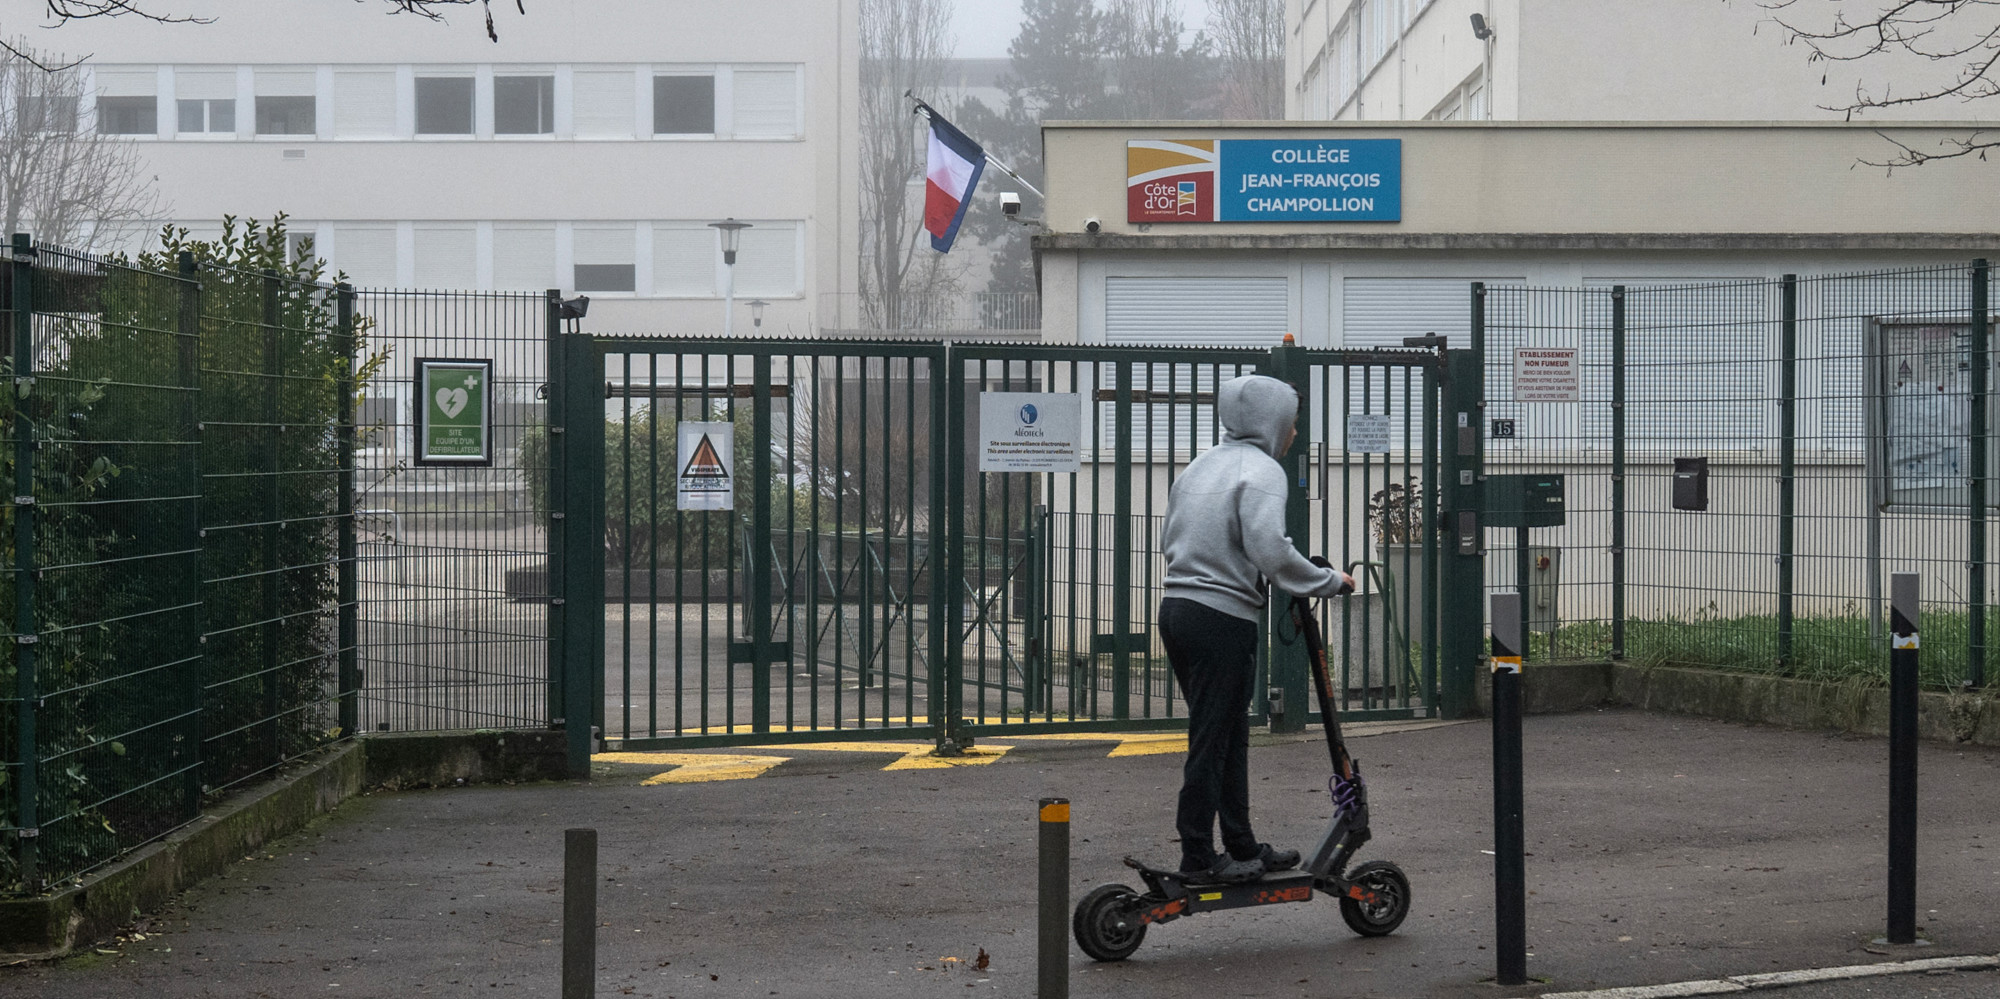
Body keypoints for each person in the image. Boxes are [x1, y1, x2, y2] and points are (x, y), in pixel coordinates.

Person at [1158, 373, 1353, 884]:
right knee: (1212, 736)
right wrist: (1328, 581)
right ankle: (1198, 855)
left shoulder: (1199, 466)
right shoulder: (1263, 470)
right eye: (1290, 425)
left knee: (1228, 732)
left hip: (1178, 609)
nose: (1292, 435)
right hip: (1221, 618)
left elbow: (1171, 535)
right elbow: (1271, 549)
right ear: (1273, 423)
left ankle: (1241, 844)